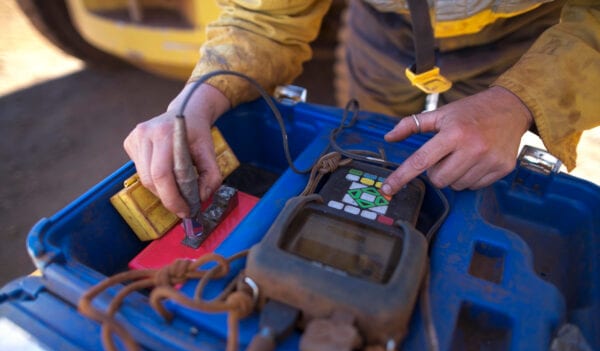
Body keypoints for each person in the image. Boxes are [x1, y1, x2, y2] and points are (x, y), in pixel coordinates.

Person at [124, 0, 600, 218]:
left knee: (469, 167)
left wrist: (517, 101)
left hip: (531, 40)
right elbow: (264, 15)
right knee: (374, 143)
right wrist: (195, 98)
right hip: (385, 29)